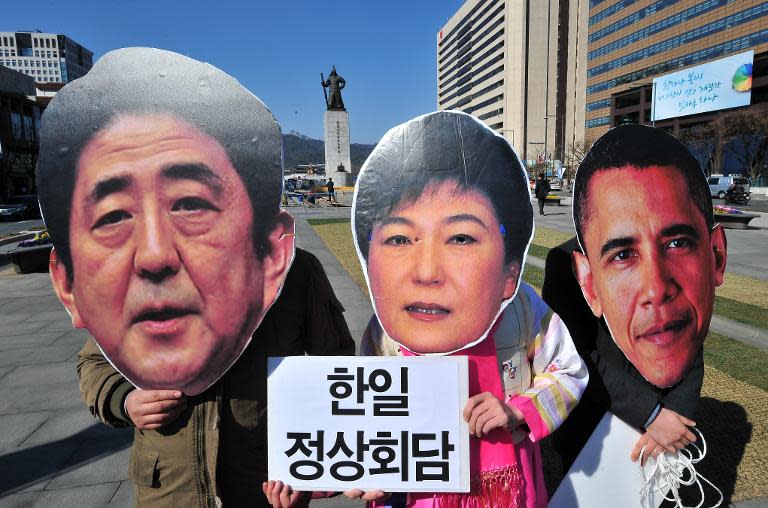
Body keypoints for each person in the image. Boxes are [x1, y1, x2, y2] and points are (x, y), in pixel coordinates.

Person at [37, 48, 356, 507]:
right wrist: (125, 400)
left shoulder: (299, 276)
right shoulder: (123, 305)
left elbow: (338, 374)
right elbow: (94, 364)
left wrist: (312, 464)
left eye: (190, 204)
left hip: (266, 493)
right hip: (170, 495)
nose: (153, 254)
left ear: (271, 248)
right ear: (66, 280)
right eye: (113, 216)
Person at [326, 111, 586, 508]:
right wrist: (365, 472)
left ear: (510, 269)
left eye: (461, 238)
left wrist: (518, 411)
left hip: (506, 488)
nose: (427, 272)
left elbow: (568, 371)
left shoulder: (523, 311)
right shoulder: (383, 336)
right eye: (399, 239)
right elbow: (368, 423)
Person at [543, 124, 726, 472]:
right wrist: (651, 413)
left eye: (677, 243)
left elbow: (692, 338)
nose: (656, 289)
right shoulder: (561, 264)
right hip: (593, 429)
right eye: (623, 255)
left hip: (664, 431)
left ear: (717, 255)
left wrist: (675, 417)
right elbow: (573, 356)